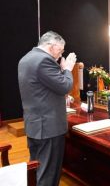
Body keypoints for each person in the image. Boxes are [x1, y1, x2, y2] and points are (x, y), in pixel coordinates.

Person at [18, 31, 76, 186]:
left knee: (37, 169)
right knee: (48, 174)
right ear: (52, 46)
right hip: (49, 128)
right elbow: (65, 86)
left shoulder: (26, 59)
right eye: (61, 50)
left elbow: (41, 89)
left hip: (35, 125)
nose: (61, 54)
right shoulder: (44, 60)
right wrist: (68, 69)